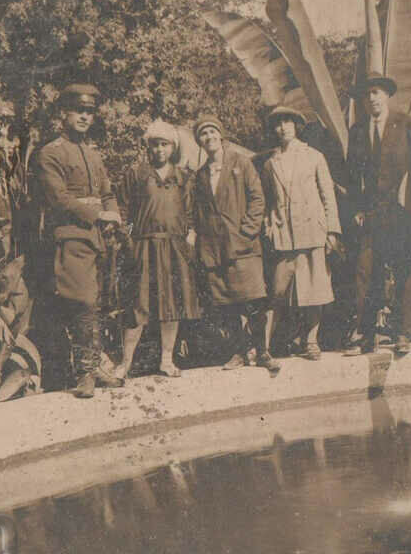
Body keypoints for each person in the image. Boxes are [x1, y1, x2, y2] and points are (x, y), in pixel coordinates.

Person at [33, 83, 122, 398]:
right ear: (64, 114)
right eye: (79, 111)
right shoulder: (51, 153)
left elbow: (107, 193)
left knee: (97, 303)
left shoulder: (92, 154)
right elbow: (58, 198)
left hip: (99, 239)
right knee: (81, 300)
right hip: (71, 238)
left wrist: (114, 216)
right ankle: (84, 372)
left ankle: (95, 365)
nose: (85, 117)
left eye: (89, 112)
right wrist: (98, 215)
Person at [344, 71, 411, 356]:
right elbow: (351, 174)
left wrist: (410, 191)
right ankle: (368, 335)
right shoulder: (358, 131)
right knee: (366, 273)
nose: (371, 98)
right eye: (366, 93)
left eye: (376, 92)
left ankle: (402, 334)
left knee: (403, 274)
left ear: (386, 95)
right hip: (373, 214)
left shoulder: (404, 123)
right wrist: (358, 208)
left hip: (402, 214)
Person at [189, 115, 278, 370]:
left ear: (221, 135)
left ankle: (262, 351)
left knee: (254, 299)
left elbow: (257, 199)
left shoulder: (241, 163)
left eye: (212, 132)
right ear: (200, 142)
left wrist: (247, 231)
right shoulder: (201, 175)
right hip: (214, 250)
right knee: (227, 304)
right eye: (203, 134)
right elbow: (199, 212)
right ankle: (239, 352)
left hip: (243, 247)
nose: (209, 138)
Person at [115, 119, 202, 380]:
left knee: (171, 304)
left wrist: (190, 235)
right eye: (154, 145)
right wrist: (127, 238)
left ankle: (166, 359)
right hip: (144, 246)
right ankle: (125, 363)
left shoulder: (183, 177)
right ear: (148, 148)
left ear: (172, 147)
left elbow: (191, 212)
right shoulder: (137, 174)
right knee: (138, 306)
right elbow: (121, 208)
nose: (159, 150)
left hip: (174, 247)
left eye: (164, 144)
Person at [259, 106, 342, 361]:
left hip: (311, 230)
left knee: (314, 288)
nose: (283, 127)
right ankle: (267, 346)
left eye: (288, 122)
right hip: (285, 233)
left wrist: (332, 231)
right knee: (278, 291)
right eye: (278, 123)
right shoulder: (271, 163)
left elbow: (328, 196)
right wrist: (269, 223)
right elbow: (267, 200)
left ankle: (311, 341)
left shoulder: (314, 156)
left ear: (296, 126)